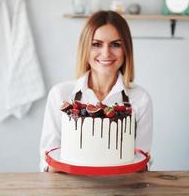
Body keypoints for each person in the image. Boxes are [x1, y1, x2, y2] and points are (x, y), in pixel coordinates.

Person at [39, 10, 153, 172]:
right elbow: (47, 158)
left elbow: (142, 160)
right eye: (96, 44)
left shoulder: (140, 99)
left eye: (116, 44)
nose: (106, 53)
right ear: (85, 48)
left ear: (126, 49)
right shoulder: (60, 94)